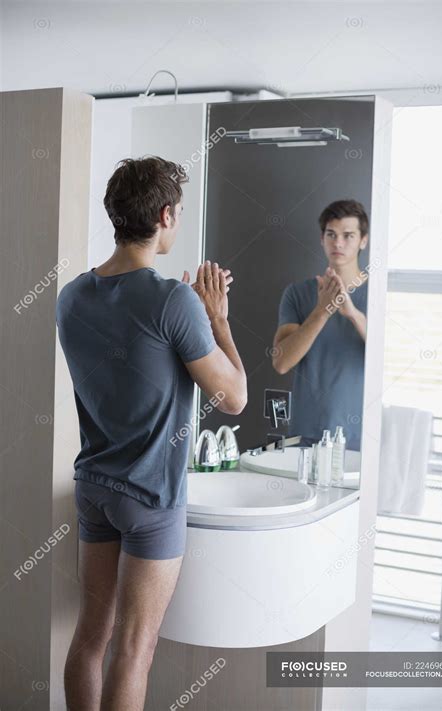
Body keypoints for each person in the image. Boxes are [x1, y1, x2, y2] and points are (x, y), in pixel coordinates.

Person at [56, 156, 247, 711]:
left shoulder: (71, 297)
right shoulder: (174, 301)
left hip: (94, 488)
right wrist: (217, 321)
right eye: (179, 212)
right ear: (165, 215)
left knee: (92, 636)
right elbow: (233, 398)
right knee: (134, 651)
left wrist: (187, 318)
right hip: (152, 499)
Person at [272, 199, 369, 451]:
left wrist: (353, 314)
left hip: (360, 439)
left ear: (363, 240)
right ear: (322, 238)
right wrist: (322, 311)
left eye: (348, 235)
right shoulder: (297, 293)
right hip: (305, 438)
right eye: (331, 234)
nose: (338, 243)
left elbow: (389, 358)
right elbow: (281, 362)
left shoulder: (377, 295)